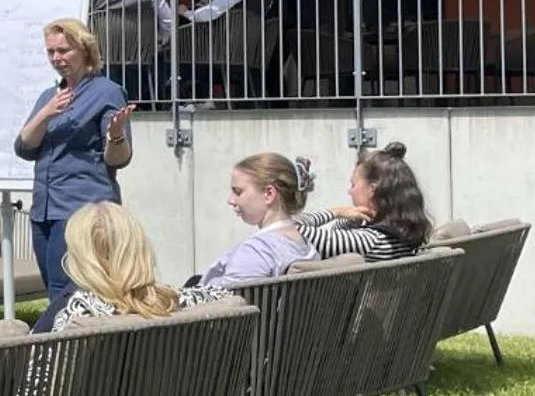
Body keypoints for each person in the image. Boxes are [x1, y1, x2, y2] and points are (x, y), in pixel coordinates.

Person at [14, 17, 135, 313]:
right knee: (53, 288)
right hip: (44, 209)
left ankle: (70, 350)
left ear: (84, 49)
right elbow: (23, 147)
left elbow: (118, 159)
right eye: (51, 52)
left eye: (64, 50)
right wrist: (45, 114)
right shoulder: (50, 96)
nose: (57, 58)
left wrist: (116, 136)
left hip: (81, 209)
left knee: (67, 290)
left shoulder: (106, 92)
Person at [49, 202, 237, 331]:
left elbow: (35, 387)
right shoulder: (195, 303)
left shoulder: (78, 318)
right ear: (139, 248)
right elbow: (230, 298)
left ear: (81, 258)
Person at [296, 141, 431, 261]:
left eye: (353, 185)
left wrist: (335, 212)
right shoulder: (402, 236)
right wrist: (353, 220)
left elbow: (286, 229)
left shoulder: (368, 241)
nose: (349, 192)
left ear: (372, 190)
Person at [201, 152, 316, 285]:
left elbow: (227, 302)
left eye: (238, 192)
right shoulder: (305, 246)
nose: (230, 200)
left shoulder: (258, 251)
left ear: (269, 194)